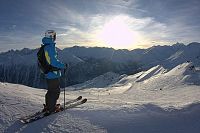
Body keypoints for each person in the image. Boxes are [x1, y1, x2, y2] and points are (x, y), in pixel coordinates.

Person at [40, 30, 66, 115]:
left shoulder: (44, 46)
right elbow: (54, 62)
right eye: (54, 36)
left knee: (50, 91)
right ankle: (51, 109)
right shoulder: (50, 47)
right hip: (53, 74)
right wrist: (63, 66)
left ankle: (49, 106)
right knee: (55, 91)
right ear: (52, 37)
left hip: (48, 73)